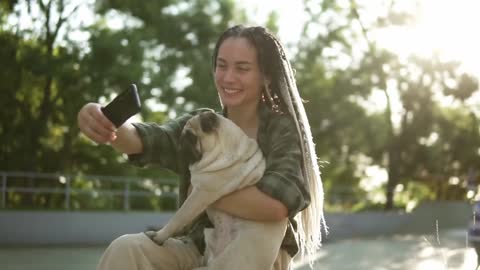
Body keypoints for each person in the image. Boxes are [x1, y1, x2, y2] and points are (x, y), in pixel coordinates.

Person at [77, 25, 327, 270]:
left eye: (242, 68)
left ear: (266, 75)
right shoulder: (202, 125)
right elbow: (148, 140)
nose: (228, 77)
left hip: (255, 255)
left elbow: (276, 207)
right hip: (199, 246)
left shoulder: (282, 130)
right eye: (222, 65)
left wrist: (205, 192)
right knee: (127, 249)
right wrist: (102, 121)